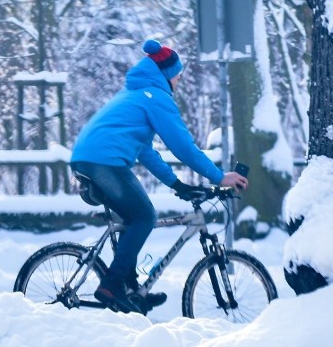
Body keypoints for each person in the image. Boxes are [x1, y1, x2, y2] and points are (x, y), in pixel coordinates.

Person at [70, 38, 248, 313]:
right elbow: (182, 146)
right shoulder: (156, 97)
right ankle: (112, 285)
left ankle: (130, 290)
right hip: (104, 162)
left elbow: (145, 151)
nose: (178, 82)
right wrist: (218, 177)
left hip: (90, 158)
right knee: (145, 216)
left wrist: (177, 184)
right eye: (177, 76)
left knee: (134, 218)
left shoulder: (136, 95)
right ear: (166, 75)